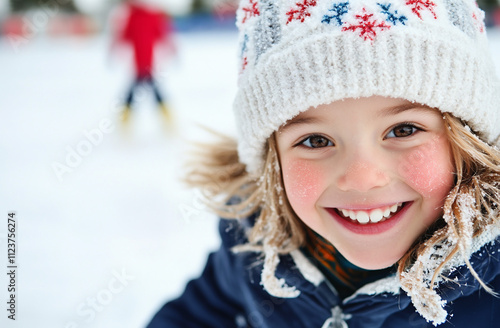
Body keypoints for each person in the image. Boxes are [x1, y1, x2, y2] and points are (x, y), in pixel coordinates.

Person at [148, 0, 500, 327]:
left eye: (403, 130)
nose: (362, 179)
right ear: (273, 159)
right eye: (316, 141)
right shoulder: (252, 246)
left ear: (468, 139)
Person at [113, 0, 176, 122]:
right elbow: (124, 36)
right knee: (148, 90)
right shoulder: (136, 16)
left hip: (146, 64)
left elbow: (162, 34)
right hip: (142, 64)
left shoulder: (147, 16)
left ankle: (125, 118)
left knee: (141, 90)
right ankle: (166, 117)